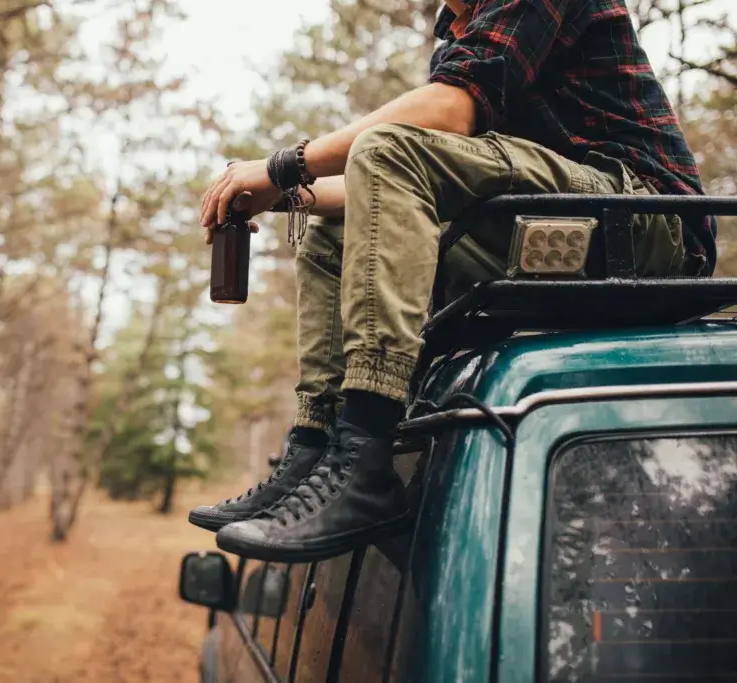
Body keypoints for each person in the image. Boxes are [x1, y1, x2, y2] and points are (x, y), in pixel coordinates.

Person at [189, 0, 714, 563]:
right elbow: (397, 171)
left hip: (646, 222)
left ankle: (365, 457)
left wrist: (281, 167)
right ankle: (315, 450)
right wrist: (289, 196)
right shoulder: (460, 28)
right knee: (331, 231)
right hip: (557, 210)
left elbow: (442, 116)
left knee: (387, 146)